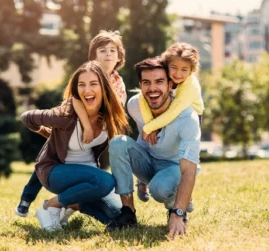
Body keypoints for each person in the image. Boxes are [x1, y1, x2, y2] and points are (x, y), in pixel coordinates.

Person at [15, 30, 127, 221]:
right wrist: (86, 124)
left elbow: (116, 110)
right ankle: (40, 202)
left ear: (119, 56)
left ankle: (70, 205)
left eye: (112, 51)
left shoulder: (117, 83)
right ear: (93, 57)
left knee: (117, 217)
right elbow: (75, 99)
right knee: (51, 150)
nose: (108, 54)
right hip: (62, 159)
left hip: (86, 161)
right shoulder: (83, 82)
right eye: (103, 51)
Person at [106, 57, 201, 239]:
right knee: (118, 142)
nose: (153, 89)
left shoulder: (187, 117)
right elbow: (144, 139)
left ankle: (178, 203)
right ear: (140, 85)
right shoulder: (135, 105)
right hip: (150, 162)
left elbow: (189, 169)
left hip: (175, 167)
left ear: (170, 84)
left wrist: (178, 213)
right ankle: (127, 213)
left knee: (159, 189)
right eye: (146, 83)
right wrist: (141, 181)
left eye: (159, 81)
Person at [136, 43, 204, 205]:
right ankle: (142, 180)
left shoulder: (190, 86)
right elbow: (141, 98)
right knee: (144, 142)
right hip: (168, 113)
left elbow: (174, 112)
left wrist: (149, 127)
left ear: (192, 71)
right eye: (174, 67)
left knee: (180, 155)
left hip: (186, 116)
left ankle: (182, 192)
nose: (178, 74)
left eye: (184, 70)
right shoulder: (165, 74)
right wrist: (150, 124)